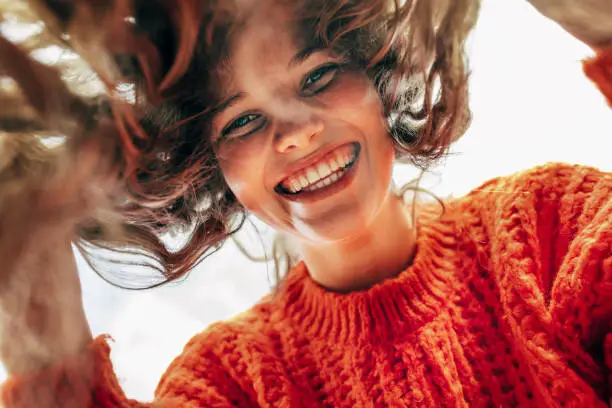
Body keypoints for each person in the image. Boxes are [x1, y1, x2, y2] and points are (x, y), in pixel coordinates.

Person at [0, 0, 610, 406]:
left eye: (317, 77)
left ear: (381, 80)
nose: (293, 133)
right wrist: (48, 368)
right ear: (214, 171)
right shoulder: (232, 381)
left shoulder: (545, 228)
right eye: (241, 121)